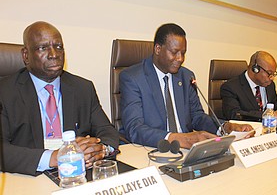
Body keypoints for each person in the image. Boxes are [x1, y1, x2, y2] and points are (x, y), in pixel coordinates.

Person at [0, 21, 119, 176]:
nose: (54, 54)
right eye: (43, 48)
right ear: (26, 55)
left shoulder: (83, 88)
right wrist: (52, 158)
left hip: (78, 174)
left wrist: (100, 149)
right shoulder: (5, 91)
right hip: (30, 178)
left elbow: (107, 131)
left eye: (58, 47)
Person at [120, 23, 253, 149]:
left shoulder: (186, 76)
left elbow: (197, 116)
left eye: (183, 53)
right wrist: (180, 139)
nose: (180, 58)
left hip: (187, 150)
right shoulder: (133, 78)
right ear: (158, 49)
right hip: (152, 149)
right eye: (174, 52)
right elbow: (134, 128)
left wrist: (225, 127)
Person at [221, 51, 277, 121]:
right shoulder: (230, 87)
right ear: (255, 69)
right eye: (269, 73)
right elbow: (234, 114)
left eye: (273, 74)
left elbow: (274, 104)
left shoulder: (270, 85)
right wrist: (270, 115)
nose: (272, 78)